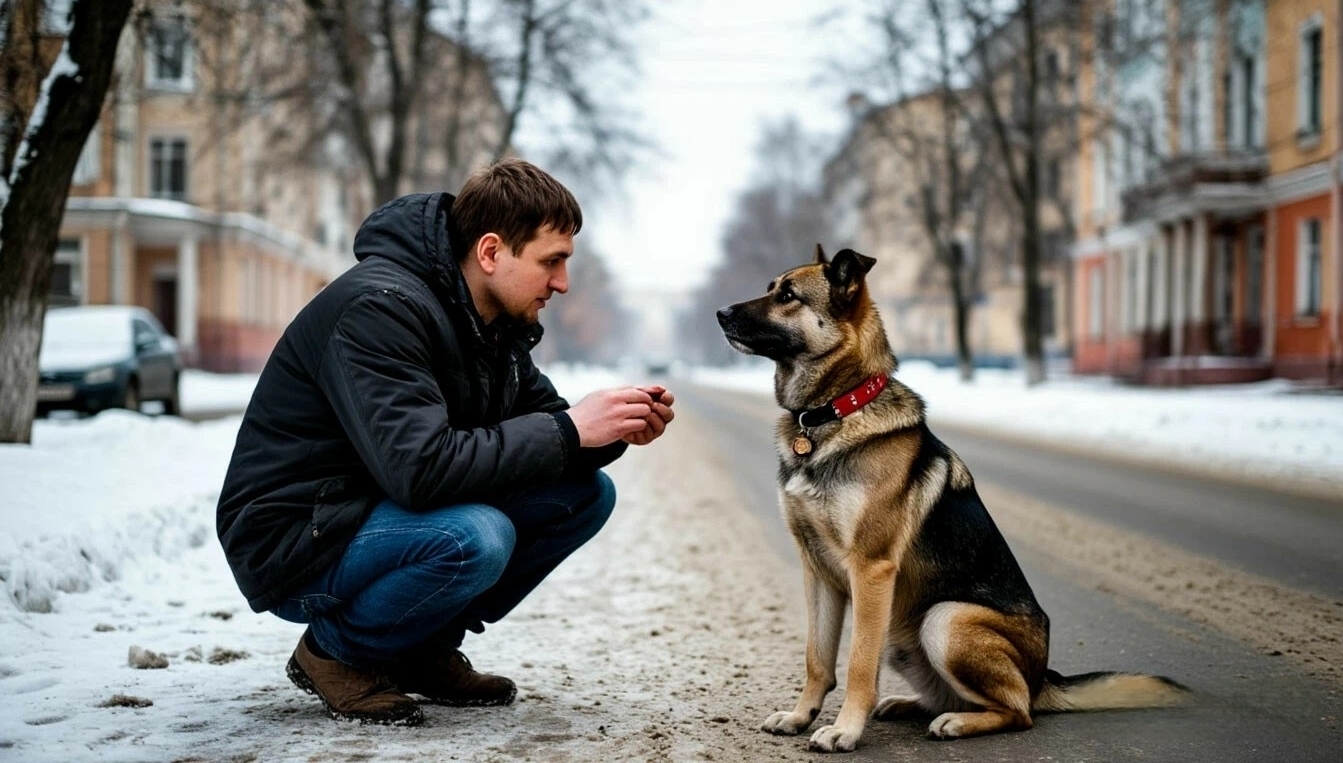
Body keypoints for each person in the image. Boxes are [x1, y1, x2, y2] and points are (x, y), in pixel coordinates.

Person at [216, 158, 674, 727]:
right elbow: (421, 468)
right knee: (476, 537)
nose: (562, 282)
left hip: (371, 511)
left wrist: (611, 429)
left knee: (585, 494)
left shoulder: (489, 323)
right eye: (550, 261)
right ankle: (334, 653)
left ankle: (418, 646)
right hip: (296, 534)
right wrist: (571, 429)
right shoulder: (380, 308)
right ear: (490, 252)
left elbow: (548, 426)